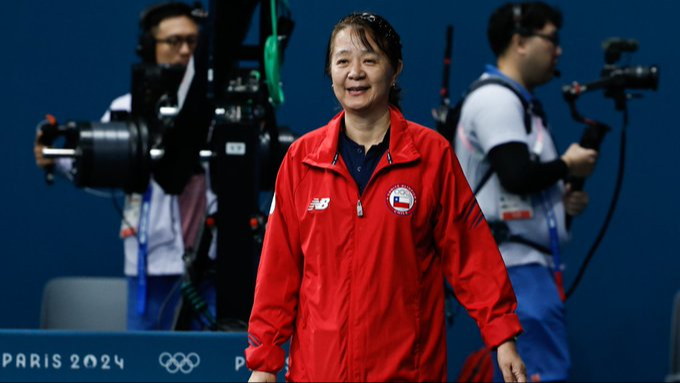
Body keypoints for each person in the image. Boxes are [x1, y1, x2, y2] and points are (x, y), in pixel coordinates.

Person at [246, 12, 526, 383]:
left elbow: (472, 254)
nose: (355, 72)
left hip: (409, 372)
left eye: (370, 59)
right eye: (342, 60)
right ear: (329, 72)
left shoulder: (431, 155)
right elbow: (278, 272)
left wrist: (503, 336)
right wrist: (265, 362)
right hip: (319, 371)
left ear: (394, 71)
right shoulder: (301, 160)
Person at [33, 1, 216, 331]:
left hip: (213, 268)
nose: (185, 50)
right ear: (149, 47)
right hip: (151, 269)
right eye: (174, 42)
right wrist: (54, 156)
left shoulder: (218, 108)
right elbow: (96, 162)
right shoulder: (125, 110)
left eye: (193, 42)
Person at [454, 2, 598, 381]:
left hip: (526, 270)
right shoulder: (496, 99)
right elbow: (517, 174)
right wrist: (567, 165)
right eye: (551, 39)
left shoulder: (520, 104)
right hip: (515, 272)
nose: (559, 50)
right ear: (519, 42)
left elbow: (521, 183)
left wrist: (558, 203)